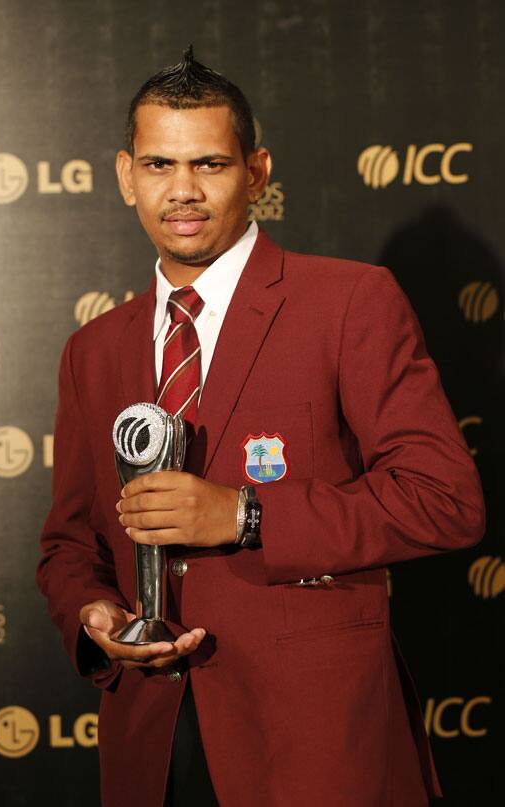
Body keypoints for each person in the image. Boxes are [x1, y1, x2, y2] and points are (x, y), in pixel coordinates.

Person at [37, 47, 485, 807]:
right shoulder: (93, 348)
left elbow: (446, 498)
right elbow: (69, 544)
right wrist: (93, 614)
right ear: (124, 175)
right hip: (151, 745)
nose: (182, 190)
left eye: (209, 164)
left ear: (257, 171)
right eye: (158, 165)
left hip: (312, 745)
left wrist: (244, 514)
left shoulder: (349, 302)